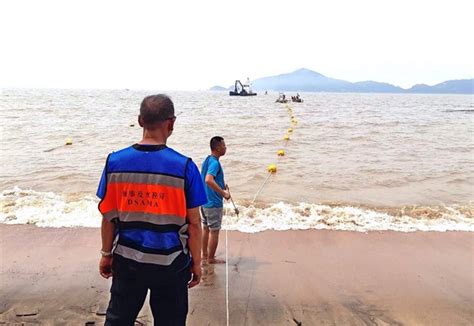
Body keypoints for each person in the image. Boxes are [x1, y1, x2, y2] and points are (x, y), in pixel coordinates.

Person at [97, 94, 207, 325]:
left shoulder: (114, 162)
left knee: (118, 320)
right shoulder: (184, 166)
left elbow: (108, 218)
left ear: (140, 121)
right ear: (172, 123)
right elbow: (195, 224)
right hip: (172, 263)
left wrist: (106, 254)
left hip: (127, 259)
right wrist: (197, 263)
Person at [200, 136, 230, 264]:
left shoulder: (207, 160)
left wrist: (222, 185)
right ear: (218, 148)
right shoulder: (215, 163)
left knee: (206, 228)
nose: (225, 147)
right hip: (213, 204)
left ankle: (205, 255)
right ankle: (211, 258)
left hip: (204, 202)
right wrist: (223, 193)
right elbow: (208, 179)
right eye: (223, 145)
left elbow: (209, 179)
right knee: (214, 231)